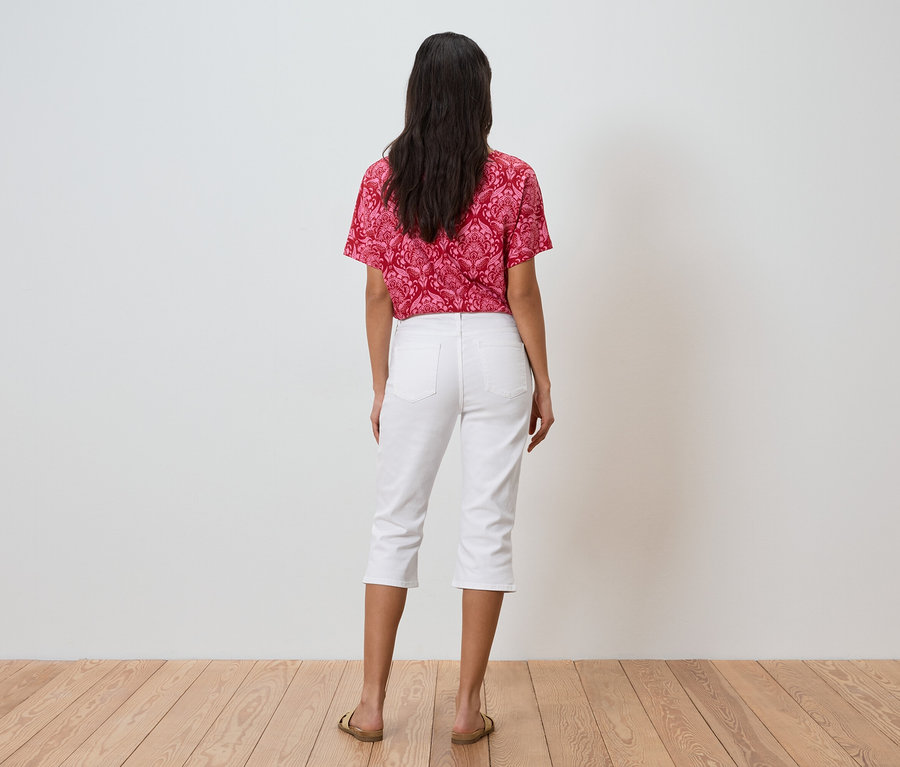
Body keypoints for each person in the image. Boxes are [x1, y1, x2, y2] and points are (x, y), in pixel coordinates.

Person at [338, 31, 555, 746]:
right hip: (496, 346)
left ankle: (371, 705)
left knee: (395, 520)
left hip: (419, 349)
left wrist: (382, 382)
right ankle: (466, 708)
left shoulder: (382, 178)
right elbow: (521, 287)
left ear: (417, 94)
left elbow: (376, 293)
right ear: (480, 96)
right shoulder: (515, 176)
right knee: (487, 523)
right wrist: (542, 378)